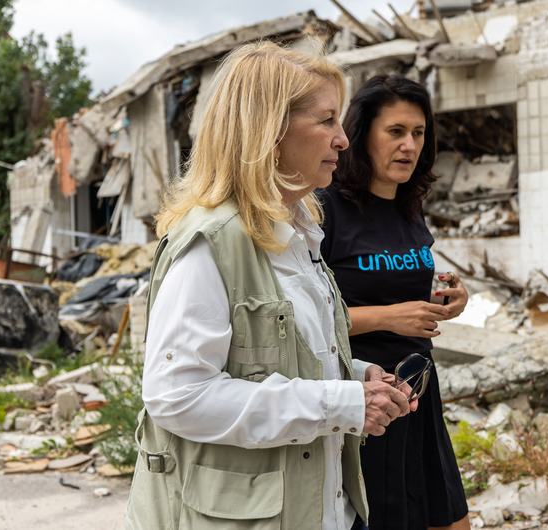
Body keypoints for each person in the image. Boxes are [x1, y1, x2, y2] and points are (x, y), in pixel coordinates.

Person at [124, 43, 416, 530]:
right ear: (269, 130)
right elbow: (177, 395)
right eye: (326, 121)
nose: (343, 140)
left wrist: (360, 378)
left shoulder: (301, 237)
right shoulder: (211, 244)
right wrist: (340, 403)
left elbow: (286, 358)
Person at [318, 74, 471, 530]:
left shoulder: (409, 205)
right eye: (396, 132)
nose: (409, 145)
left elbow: (400, 289)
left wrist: (448, 298)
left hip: (419, 396)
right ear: (362, 136)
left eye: (418, 133)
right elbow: (306, 321)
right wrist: (390, 318)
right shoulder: (326, 210)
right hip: (366, 404)